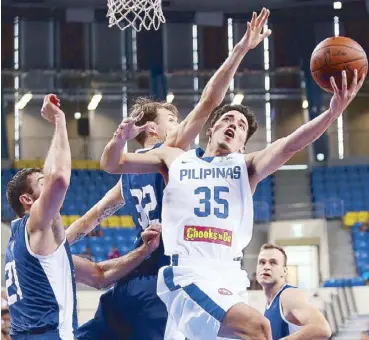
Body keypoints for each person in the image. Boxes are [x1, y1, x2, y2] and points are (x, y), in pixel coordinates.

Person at [113, 64, 364, 339]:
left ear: (243, 145)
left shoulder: (246, 166)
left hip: (229, 276)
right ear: (211, 129)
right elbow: (113, 163)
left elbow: (291, 144)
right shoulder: (176, 158)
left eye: (241, 125)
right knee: (259, 329)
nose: (234, 124)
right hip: (189, 272)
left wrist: (331, 113)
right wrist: (119, 140)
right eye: (228, 119)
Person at [76, 8, 273, 340]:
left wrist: (51, 247)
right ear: (153, 128)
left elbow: (91, 218)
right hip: (169, 276)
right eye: (173, 119)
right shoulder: (171, 152)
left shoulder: (129, 174)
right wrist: (241, 49)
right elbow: (210, 101)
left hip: (131, 278)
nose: (181, 125)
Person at [4, 95, 162, 340]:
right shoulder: (36, 224)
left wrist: (143, 250)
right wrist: (59, 121)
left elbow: (99, 275)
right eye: (41, 184)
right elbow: (59, 179)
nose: (50, 194)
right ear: (27, 200)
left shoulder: (32, 249)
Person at [256, 244, 332, 340]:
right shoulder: (269, 303)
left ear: (284, 271)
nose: (266, 267)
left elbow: (322, 328)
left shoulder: (289, 295)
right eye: (262, 262)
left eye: (273, 263)